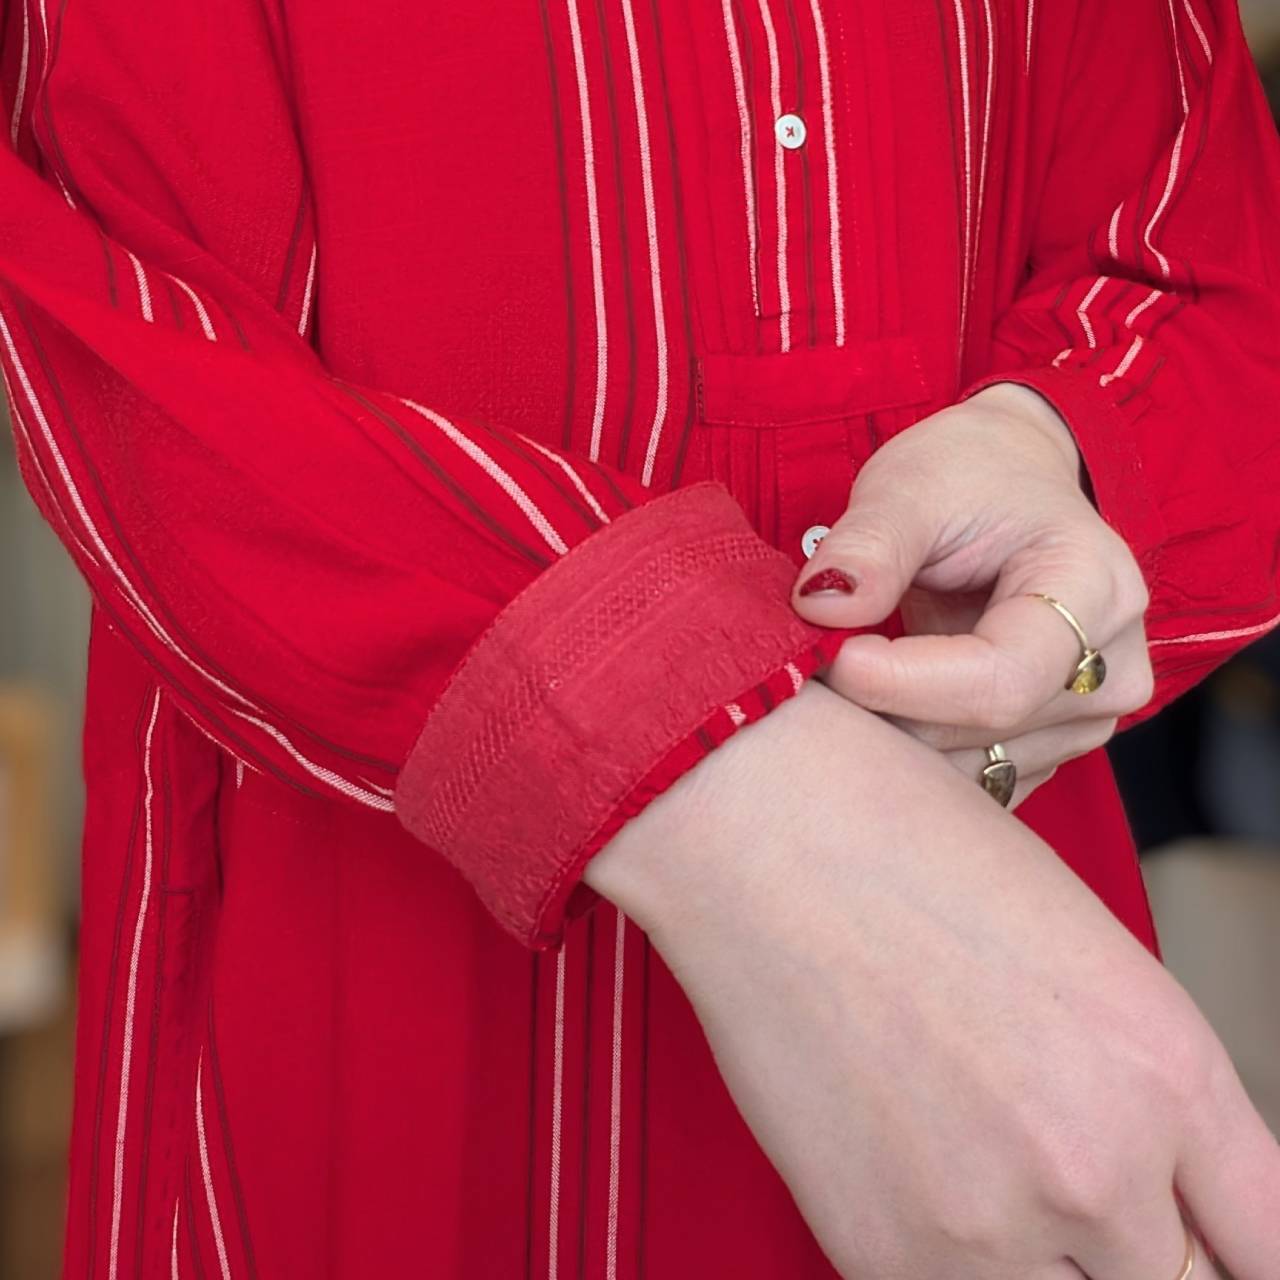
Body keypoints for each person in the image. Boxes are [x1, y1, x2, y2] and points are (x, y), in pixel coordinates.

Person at [2, 0, 1279, 1276]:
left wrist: (1053, 444)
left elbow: (1190, 228)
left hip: (1002, 945)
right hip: (377, 977)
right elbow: (103, 307)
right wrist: (735, 788)